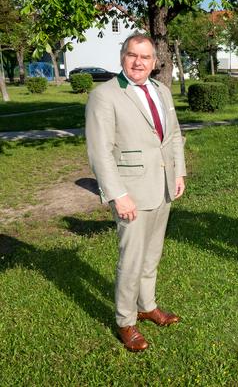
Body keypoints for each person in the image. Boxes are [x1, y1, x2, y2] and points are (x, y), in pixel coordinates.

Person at [85, 33, 187, 352]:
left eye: (145, 57)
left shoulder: (162, 91)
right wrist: (118, 194)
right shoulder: (105, 95)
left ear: (154, 62)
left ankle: (147, 305)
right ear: (122, 57)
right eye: (133, 55)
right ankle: (126, 321)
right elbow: (100, 151)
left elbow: (173, 135)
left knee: (151, 254)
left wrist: (179, 171)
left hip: (164, 186)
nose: (139, 62)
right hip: (131, 192)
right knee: (131, 259)